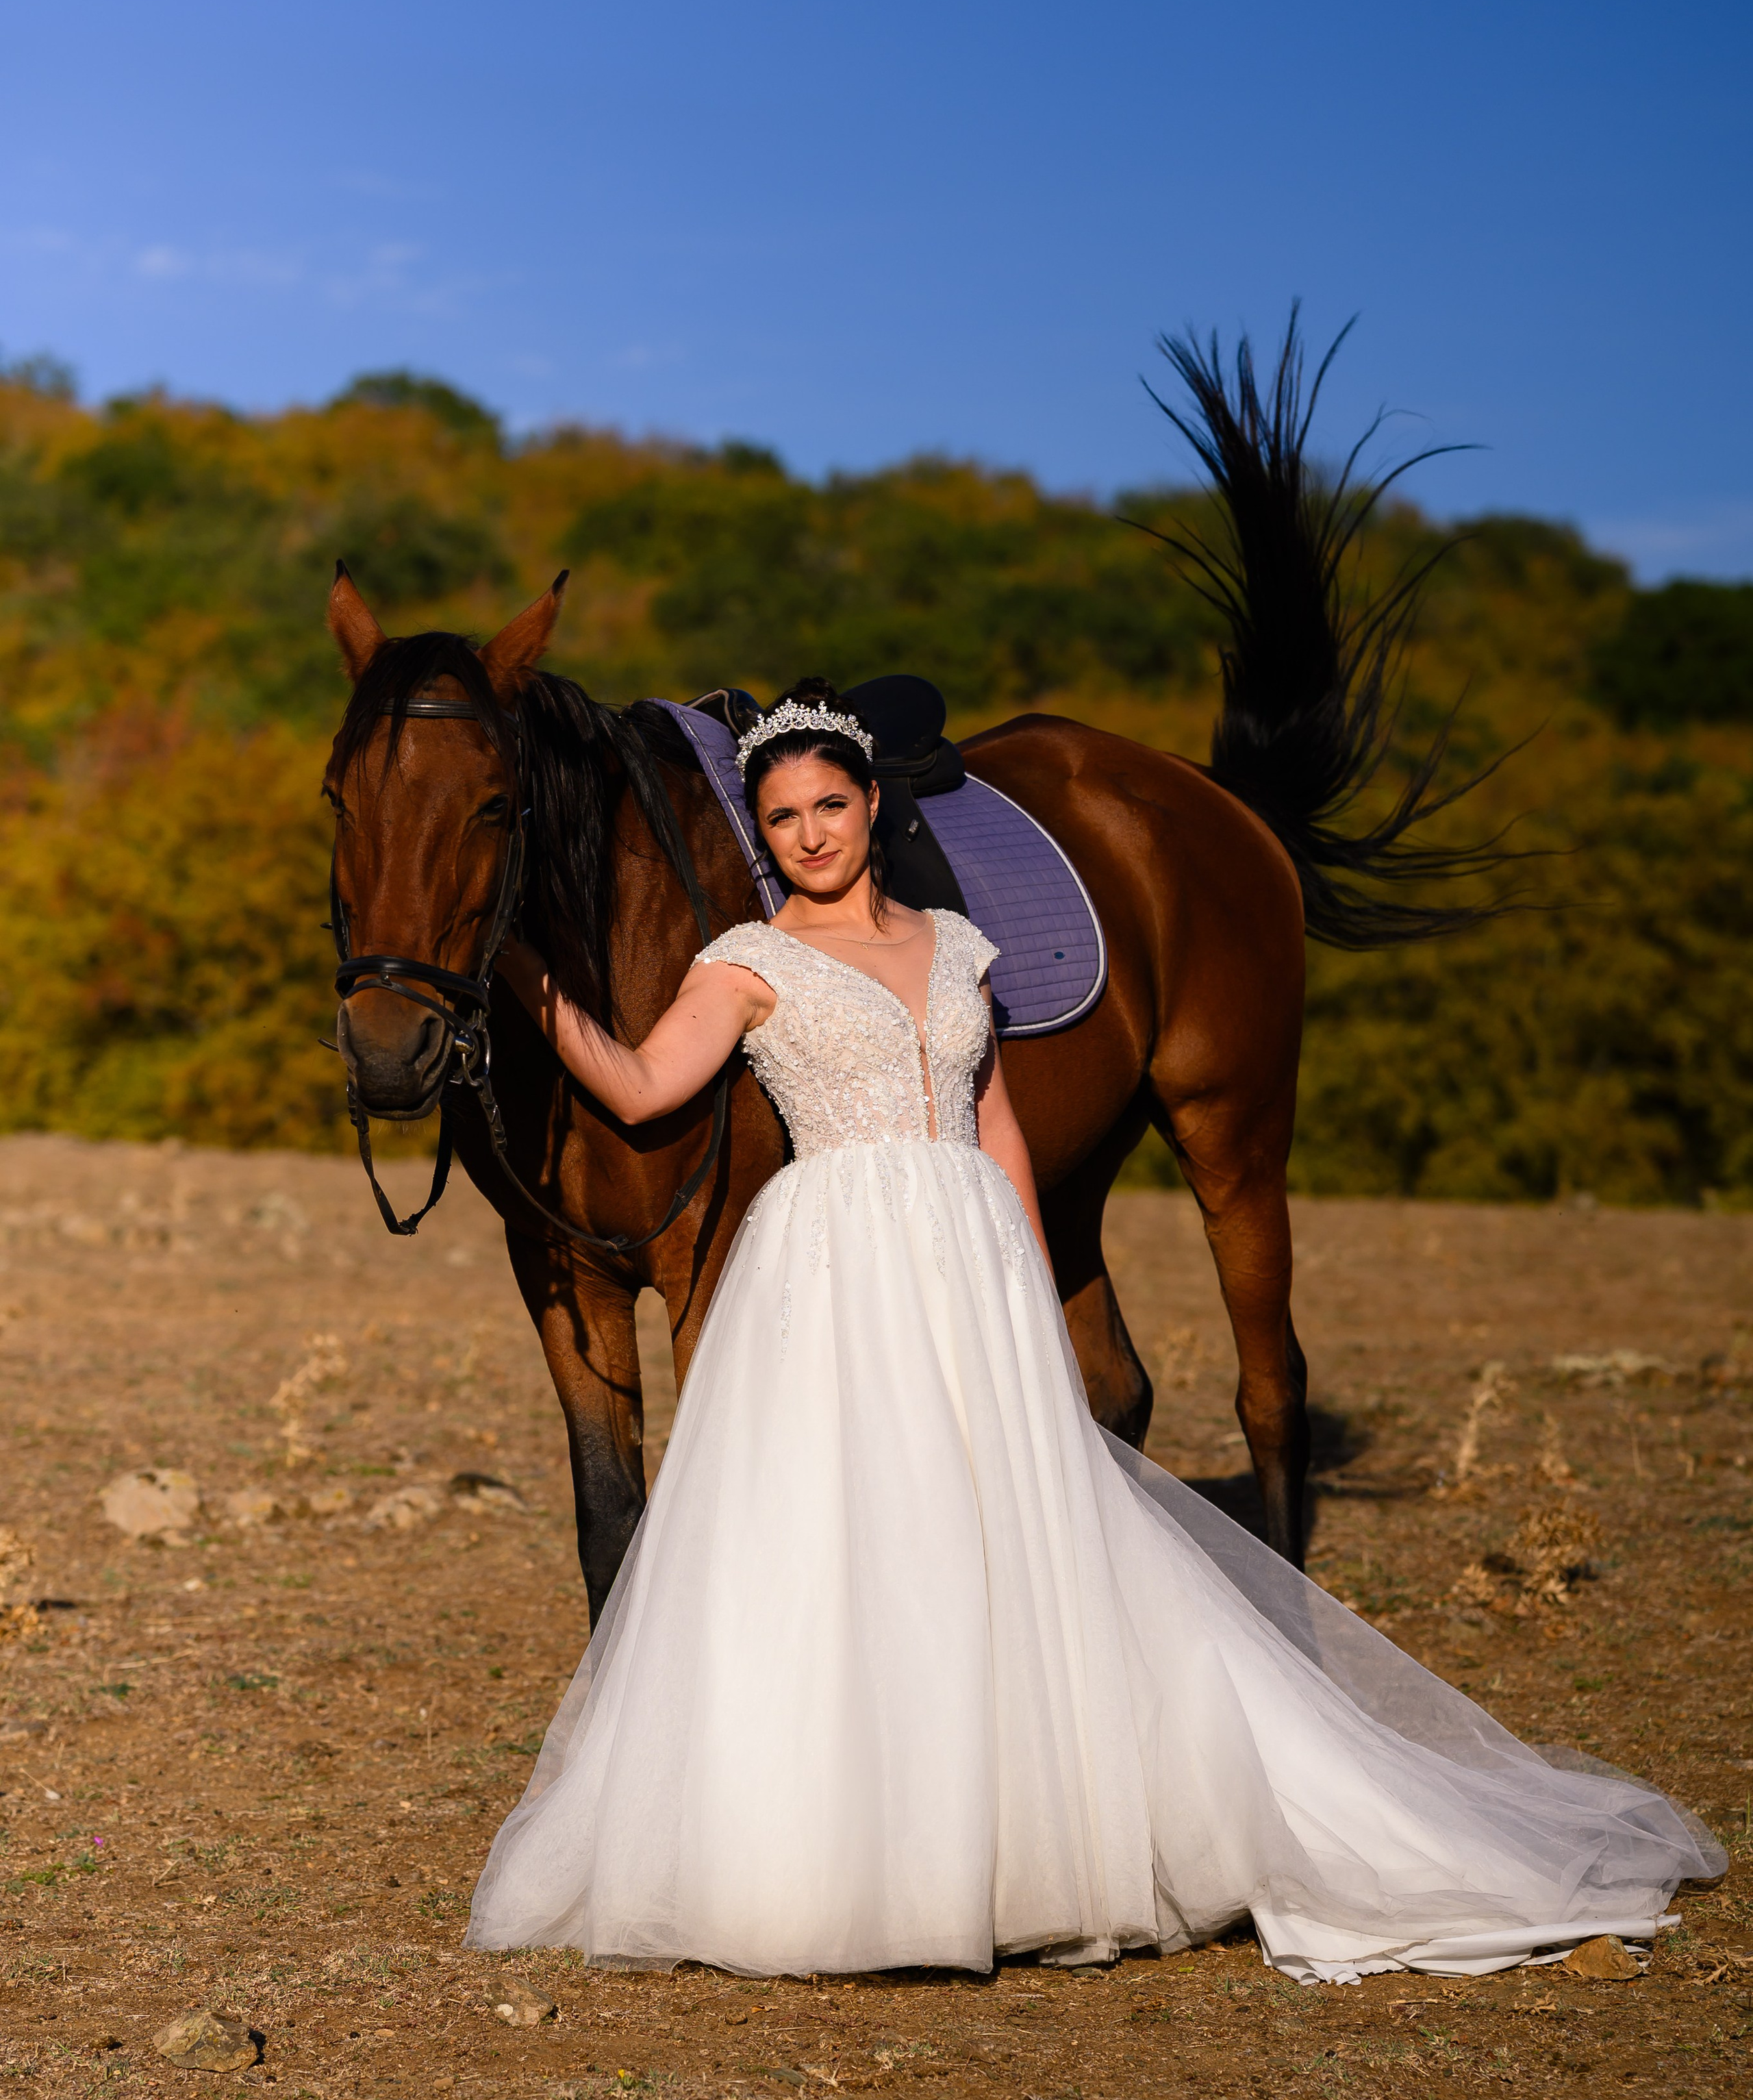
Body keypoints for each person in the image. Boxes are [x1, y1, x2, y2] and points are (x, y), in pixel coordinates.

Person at [468, 679, 1720, 1984]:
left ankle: (1037, 1831)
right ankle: (851, 1852)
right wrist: (529, 976)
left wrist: (1015, 1265)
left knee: (1004, 1528)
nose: (811, 835)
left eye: (831, 805)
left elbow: (999, 1123)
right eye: (782, 818)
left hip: (966, 1256)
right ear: (762, 831)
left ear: (872, 801)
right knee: (847, 1541)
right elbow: (640, 1082)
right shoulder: (747, 962)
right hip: (835, 1268)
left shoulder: (956, 949)